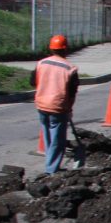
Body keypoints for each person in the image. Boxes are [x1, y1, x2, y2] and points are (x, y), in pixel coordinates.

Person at [31, 34, 79, 174]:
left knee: (47, 136)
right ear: (66, 49)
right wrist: (69, 109)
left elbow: (33, 82)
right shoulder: (70, 68)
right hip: (58, 107)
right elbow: (72, 92)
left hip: (41, 104)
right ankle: (51, 169)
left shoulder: (41, 63)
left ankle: (49, 162)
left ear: (51, 48)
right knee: (58, 139)